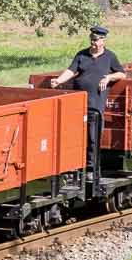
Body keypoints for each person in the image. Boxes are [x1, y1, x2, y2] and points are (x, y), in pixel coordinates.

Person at [52, 24, 122, 159]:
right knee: (75, 136)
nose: (93, 43)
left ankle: (91, 167)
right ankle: (75, 163)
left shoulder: (110, 57)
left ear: (103, 41)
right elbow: (71, 70)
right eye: (91, 39)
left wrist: (108, 77)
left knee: (93, 138)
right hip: (79, 104)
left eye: (96, 40)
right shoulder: (81, 55)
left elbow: (121, 73)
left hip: (95, 106)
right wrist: (59, 80)